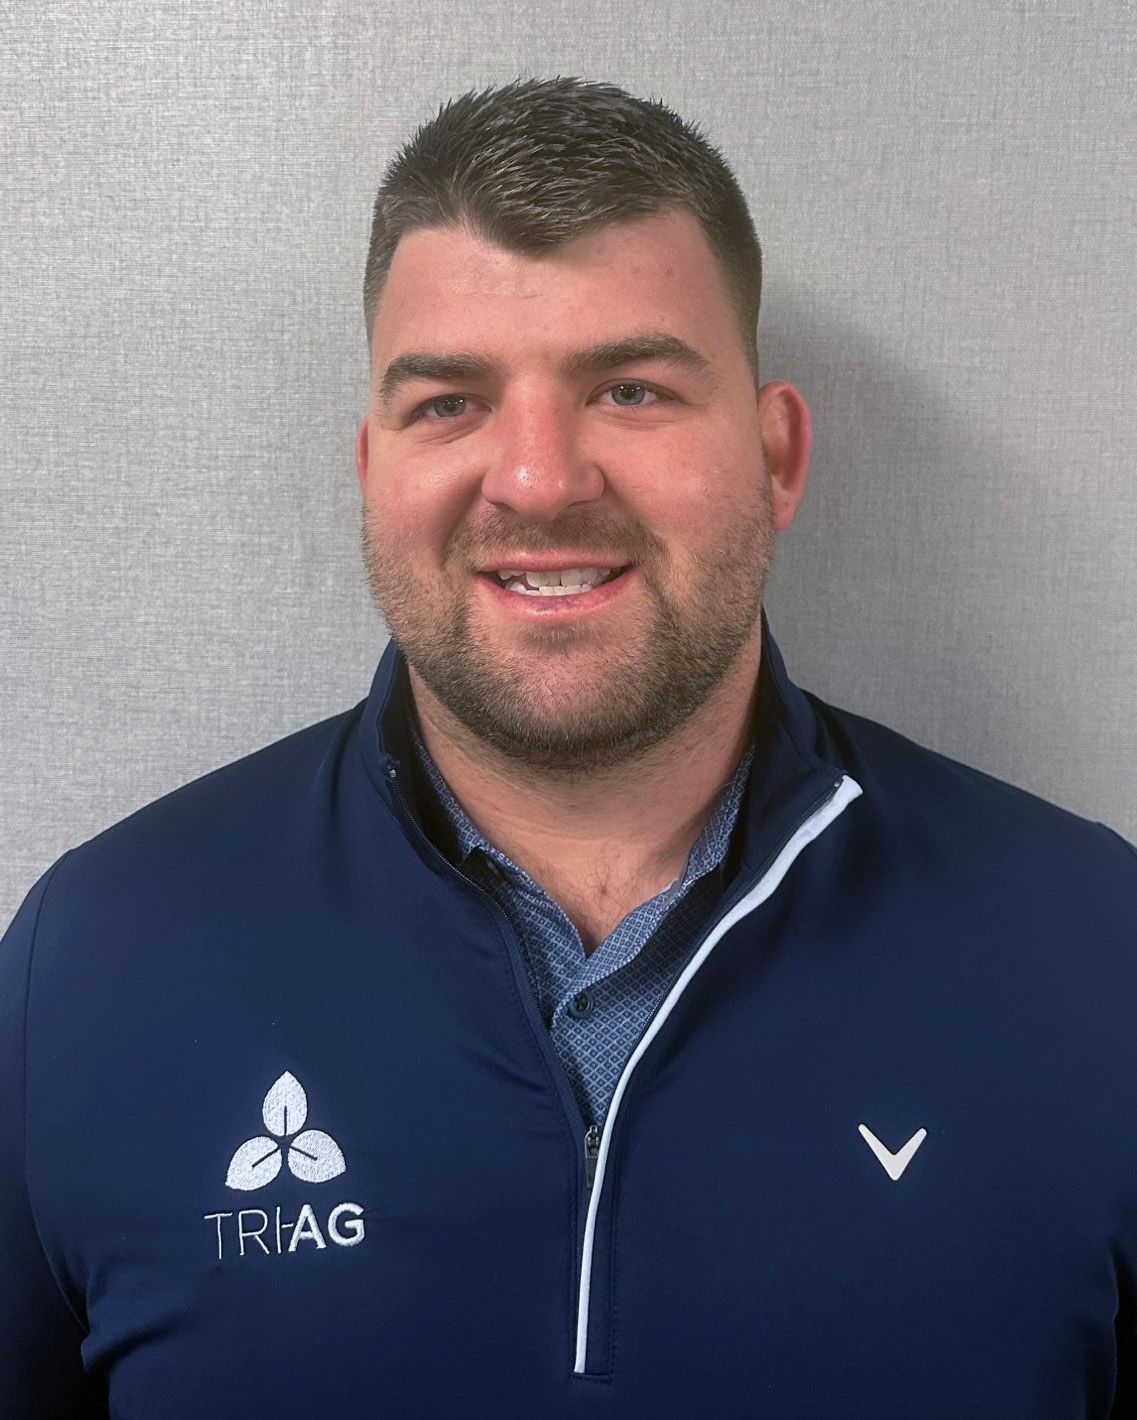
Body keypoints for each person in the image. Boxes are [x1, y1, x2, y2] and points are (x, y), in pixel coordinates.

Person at [1, 77, 1135, 1419]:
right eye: (449, 404)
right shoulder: (91, 961)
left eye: (631, 390)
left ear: (776, 457)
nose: (539, 480)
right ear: (371, 470)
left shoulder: (1095, 955)